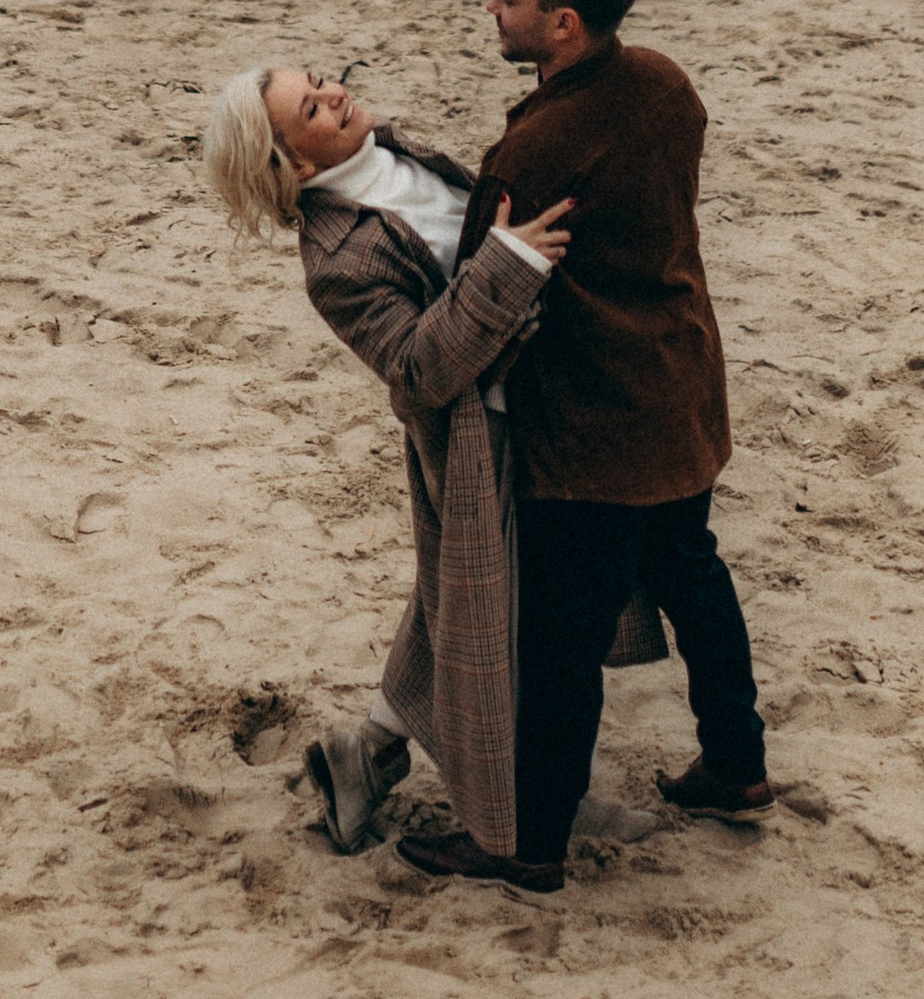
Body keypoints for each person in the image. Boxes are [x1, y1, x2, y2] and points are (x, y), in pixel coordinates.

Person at [197, 63, 664, 863]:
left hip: (547, 405)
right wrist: (509, 267)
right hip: (487, 442)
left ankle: (370, 755)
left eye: (322, 79)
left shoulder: (398, 153)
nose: (336, 95)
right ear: (298, 165)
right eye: (312, 107)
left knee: (472, 605)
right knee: (514, 617)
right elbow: (416, 368)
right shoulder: (337, 262)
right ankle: (543, 801)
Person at [396, 0, 771, 900]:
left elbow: (482, 291)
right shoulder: (664, 85)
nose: (492, 5)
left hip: (595, 430)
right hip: (682, 393)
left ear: (562, 23)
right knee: (695, 577)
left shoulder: (535, 151)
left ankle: (528, 847)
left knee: (558, 645)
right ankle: (736, 766)